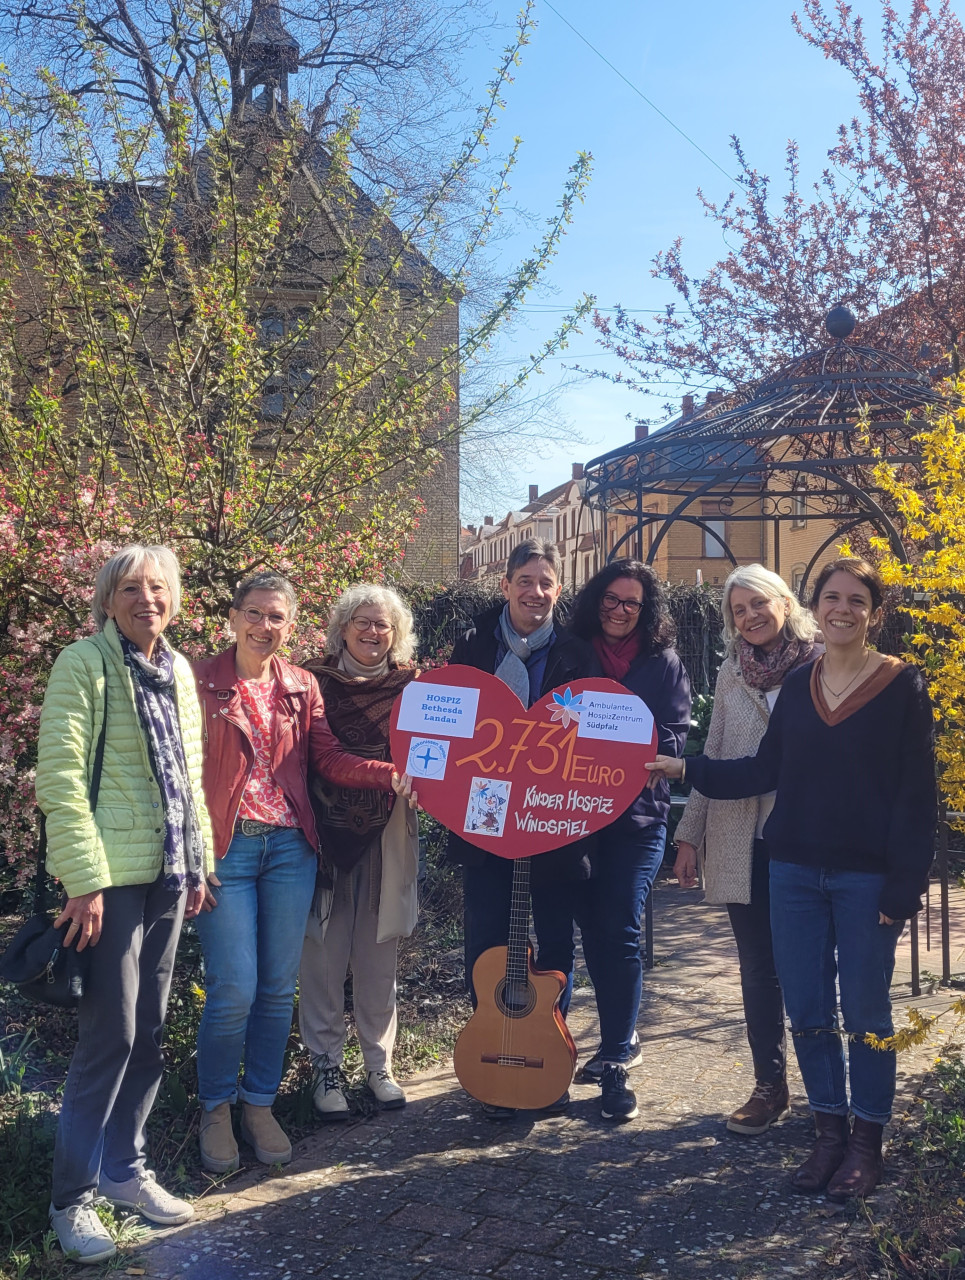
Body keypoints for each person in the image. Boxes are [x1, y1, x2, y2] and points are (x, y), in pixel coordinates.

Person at [647, 557, 936, 1199]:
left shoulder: (900, 685)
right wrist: (683, 770)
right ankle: (827, 1132)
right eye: (831, 596)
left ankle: (867, 1142)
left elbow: (919, 799)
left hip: (866, 879)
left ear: (873, 611)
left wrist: (904, 888)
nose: (842, 608)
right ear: (817, 603)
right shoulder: (802, 682)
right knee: (806, 1009)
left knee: (865, 1011)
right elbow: (759, 770)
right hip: (794, 872)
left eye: (856, 599)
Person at [192, 572, 411, 1174]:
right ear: (234, 617)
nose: (266, 627)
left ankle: (258, 1105)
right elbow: (181, 768)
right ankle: (216, 1107)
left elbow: (328, 756)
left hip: (291, 848)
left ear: (292, 624)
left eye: (277, 617)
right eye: (255, 614)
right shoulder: (200, 679)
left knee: (275, 987)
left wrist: (387, 774)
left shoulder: (299, 684)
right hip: (228, 849)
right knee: (234, 986)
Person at [35, 544, 214, 1264]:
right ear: (108, 601)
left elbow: (189, 776)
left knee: (149, 1031)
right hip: (108, 884)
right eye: (132, 588)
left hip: (170, 877)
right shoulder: (84, 664)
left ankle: (123, 1171)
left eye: (159, 587)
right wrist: (83, 881)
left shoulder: (178, 669)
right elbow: (61, 777)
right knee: (107, 1038)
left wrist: (199, 862)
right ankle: (69, 1199)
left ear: (174, 599)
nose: (148, 599)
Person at [446, 537, 598, 1119]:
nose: (536, 593)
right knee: (485, 938)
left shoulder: (578, 655)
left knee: (556, 941)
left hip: (552, 816)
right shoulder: (471, 646)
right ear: (505, 585)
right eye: (525, 581)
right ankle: (493, 1052)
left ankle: (545, 1055)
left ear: (558, 591)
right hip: (483, 817)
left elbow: (593, 740)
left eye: (546, 583)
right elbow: (452, 727)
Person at [672, 564, 818, 1137]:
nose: (751, 616)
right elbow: (715, 749)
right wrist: (689, 834)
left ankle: (827, 1088)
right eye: (739, 610)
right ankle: (769, 1086)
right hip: (740, 838)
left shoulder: (820, 665)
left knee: (810, 966)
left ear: (785, 602)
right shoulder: (733, 671)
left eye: (760, 603)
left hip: (805, 837)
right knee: (759, 971)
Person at [567, 559, 691, 1122]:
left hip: (637, 817)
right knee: (581, 924)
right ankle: (558, 1051)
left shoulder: (661, 661)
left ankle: (617, 1053)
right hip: (570, 813)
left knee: (618, 925)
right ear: (597, 600)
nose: (619, 611)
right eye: (612, 600)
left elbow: (674, 733)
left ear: (647, 611)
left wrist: (619, 730)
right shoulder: (572, 649)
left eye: (632, 604)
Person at [298, 584, 420, 1119]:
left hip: (388, 831)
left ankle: (378, 1064)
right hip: (322, 835)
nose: (373, 632)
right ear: (342, 626)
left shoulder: (415, 687)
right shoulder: (310, 682)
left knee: (378, 954)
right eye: (362, 622)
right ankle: (325, 1068)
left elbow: (451, 747)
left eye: (383, 624)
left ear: (397, 635)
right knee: (322, 955)